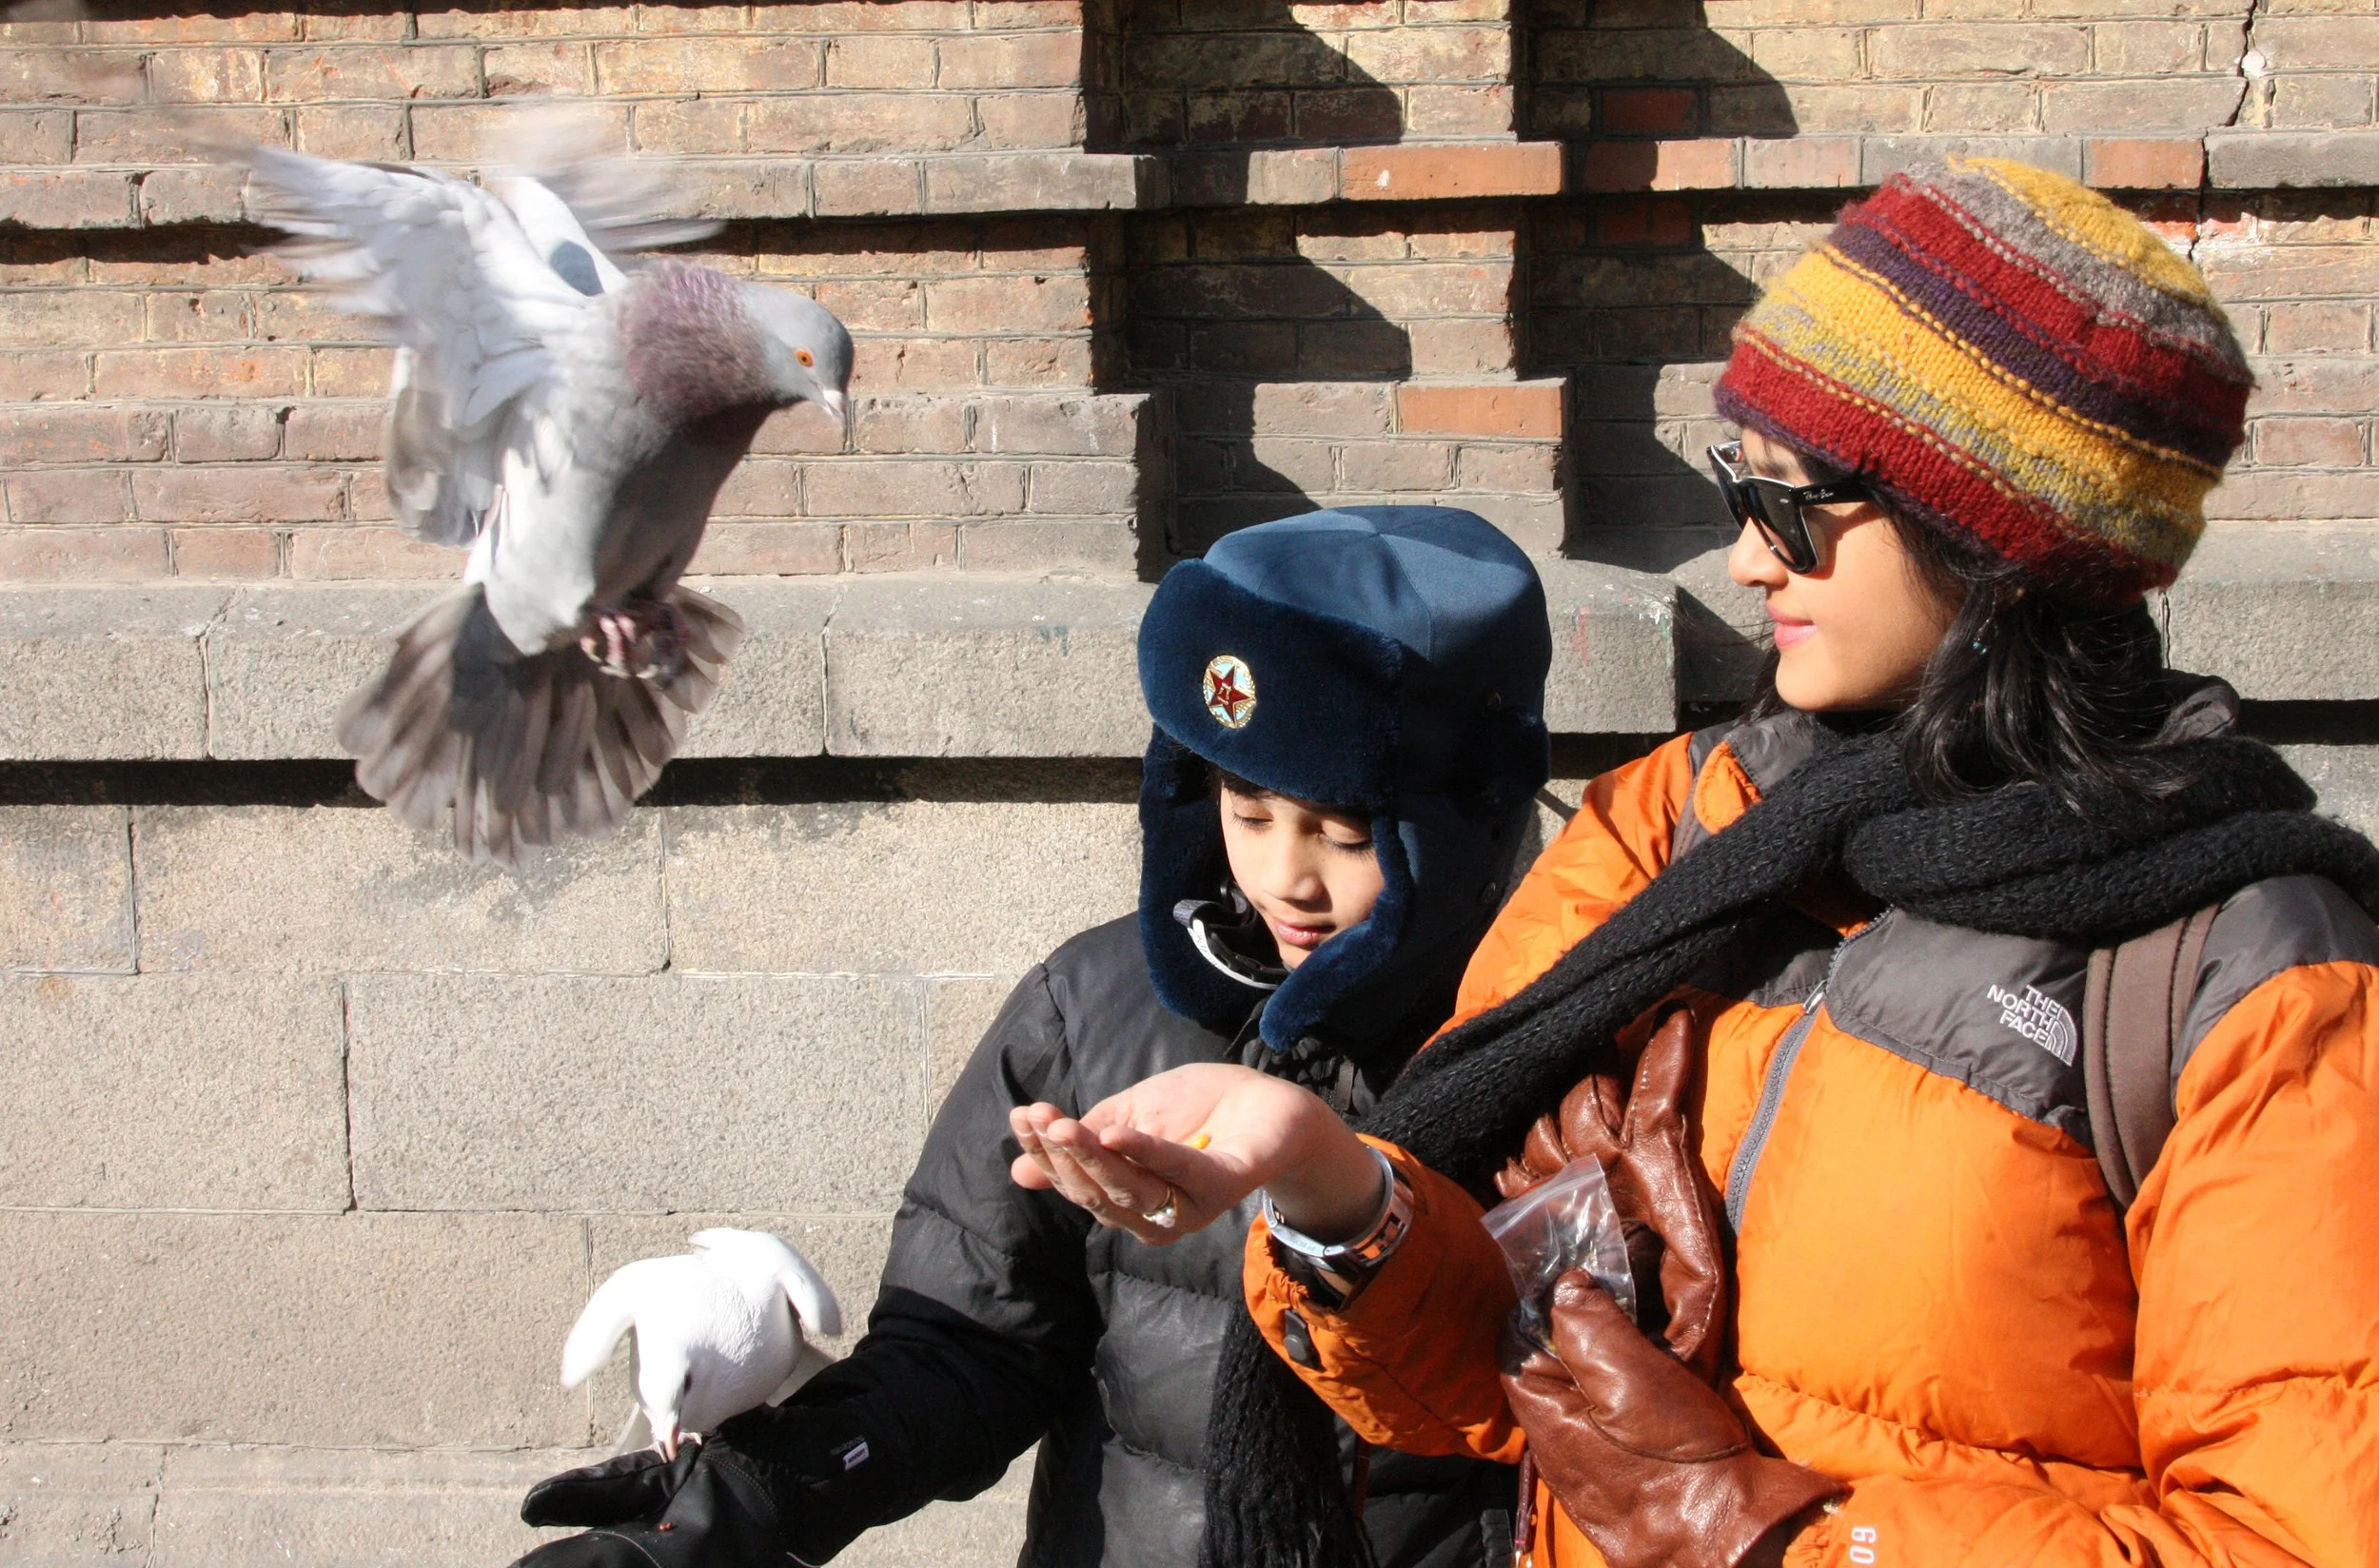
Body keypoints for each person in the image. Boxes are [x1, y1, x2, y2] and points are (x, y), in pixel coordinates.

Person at [1016, 158, 2379, 1568]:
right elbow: (1495, 1384)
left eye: (1794, 504)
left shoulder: (2254, 970)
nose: (1744, 559)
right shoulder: (1680, 822)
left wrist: (1763, 1539)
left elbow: (2297, 1538)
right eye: (1741, 487)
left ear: (1994, 532)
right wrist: (1333, 1194)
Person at [506, 505, 1556, 1567]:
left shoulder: (1566, 1035)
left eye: (1341, 833)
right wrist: (740, 1501)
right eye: (1247, 810)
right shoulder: (1089, 1007)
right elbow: (969, 1348)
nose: (1286, 875)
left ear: (1464, 820)